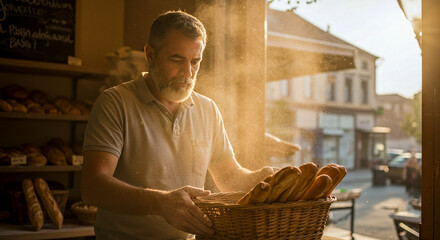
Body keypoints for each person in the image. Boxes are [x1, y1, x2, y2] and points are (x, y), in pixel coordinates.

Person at [80, 10, 275, 240]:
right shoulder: (115, 103)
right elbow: (93, 187)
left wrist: (264, 179)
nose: (187, 72)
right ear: (150, 54)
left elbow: (229, 178)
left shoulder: (208, 109)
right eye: (177, 59)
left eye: (195, 62)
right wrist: (159, 203)